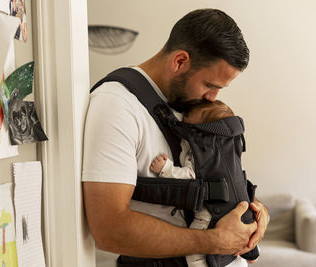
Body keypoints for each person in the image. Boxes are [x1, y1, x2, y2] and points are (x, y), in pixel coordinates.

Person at [83, 8, 269, 267]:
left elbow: (218, 175)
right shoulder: (116, 106)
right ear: (180, 61)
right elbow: (109, 229)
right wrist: (216, 241)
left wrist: (257, 212)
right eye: (210, 86)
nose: (213, 98)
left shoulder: (189, 105)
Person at [150, 100, 257, 267]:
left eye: (188, 119)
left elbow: (190, 176)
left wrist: (166, 168)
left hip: (210, 217)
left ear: (203, 129)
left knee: (194, 254)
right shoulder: (231, 148)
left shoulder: (203, 151)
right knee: (235, 259)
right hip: (242, 215)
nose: (184, 120)